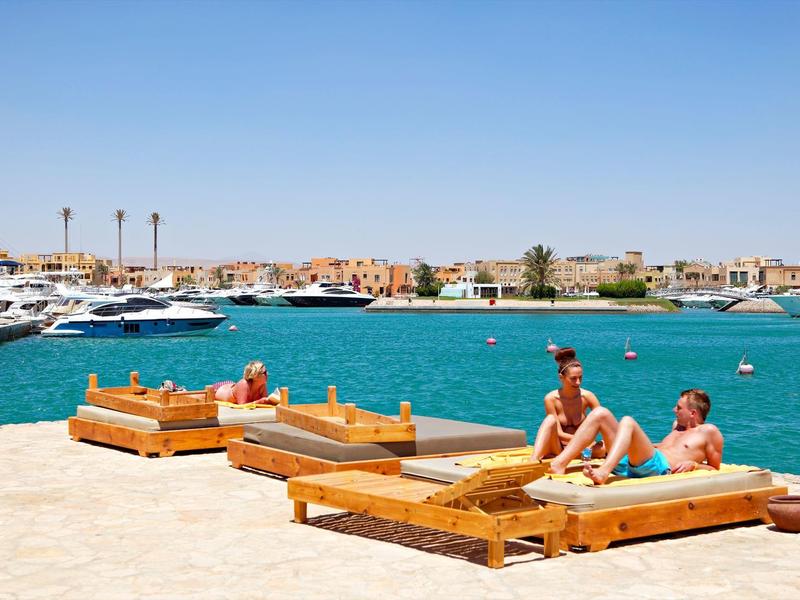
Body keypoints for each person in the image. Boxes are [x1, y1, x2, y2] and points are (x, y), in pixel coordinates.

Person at [548, 388, 724, 485]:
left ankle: (604, 472)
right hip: (635, 463)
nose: (674, 410)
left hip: (657, 468)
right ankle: (559, 463)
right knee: (601, 413)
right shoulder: (677, 427)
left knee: (628, 421)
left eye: (678, 408)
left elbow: (715, 468)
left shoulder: (709, 431)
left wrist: (694, 465)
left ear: (693, 413)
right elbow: (665, 447)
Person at [530, 347, 604, 461]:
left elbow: (602, 423)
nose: (578, 382)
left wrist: (590, 441)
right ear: (561, 377)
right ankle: (533, 460)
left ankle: (580, 454)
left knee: (604, 446)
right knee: (549, 420)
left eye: (580, 377)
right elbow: (558, 433)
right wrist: (582, 439)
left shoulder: (588, 396)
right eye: (573, 378)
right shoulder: (551, 399)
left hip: (582, 447)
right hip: (559, 448)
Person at [212, 360, 276, 405]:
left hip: (232, 386)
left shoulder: (262, 385)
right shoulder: (243, 384)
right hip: (217, 388)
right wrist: (259, 402)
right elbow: (242, 406)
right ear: (255, 375)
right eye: (264, 372)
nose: (268, 374)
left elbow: (265, 402)